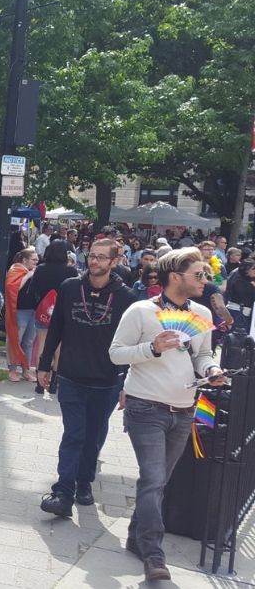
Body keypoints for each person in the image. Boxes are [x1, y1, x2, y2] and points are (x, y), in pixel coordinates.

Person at [109, 248, 227, 582]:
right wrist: (152, 348)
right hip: (146, 407)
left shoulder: (202, 312)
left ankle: (135, 536)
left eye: (206, 274)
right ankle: (153, 553)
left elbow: (202, 355)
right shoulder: (141, 311)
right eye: (199, 275)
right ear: (175, 277)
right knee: (154, 479)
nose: (206, 280)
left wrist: (213, 368)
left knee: (157, 482)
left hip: (185, 409)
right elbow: (116, 354)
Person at [38, 238, 135, 518]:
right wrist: (45, 365)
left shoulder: (127, 297)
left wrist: (127, 383)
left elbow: (131, 343)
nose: (95, 261)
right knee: (73, 434)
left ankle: (84, 481)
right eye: (92, 256)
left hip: (106, 380)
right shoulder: (70, 287)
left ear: (114, 261)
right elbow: (56, 327)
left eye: (102, 257)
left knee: (93, 435)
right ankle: (63, 492)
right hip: (70, 376)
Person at [31, 239, 80, 394]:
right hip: (63, 312)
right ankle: (54, 383)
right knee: (59, 347)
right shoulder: (71, 271)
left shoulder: (40, 269)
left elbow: (34, 289)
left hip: (44, 311)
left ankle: (40, 383)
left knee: (42, 345)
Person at [4, 248, 40, 382]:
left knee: (29, 341)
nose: (36, 263)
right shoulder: (16, 270)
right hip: (19, 310)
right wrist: (28, 275)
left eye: (37, 260)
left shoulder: (34, 271)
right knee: (15, 339)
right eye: (34, 260)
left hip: (33, 309)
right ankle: (12, 370)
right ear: (25, 260)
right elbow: (13, 287)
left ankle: (26, 370)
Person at [224, 260, 255, 334]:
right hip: (237, 312)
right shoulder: (239, 281)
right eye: (254, 268)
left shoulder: (251, 280)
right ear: (246, 270)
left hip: (247, 313)